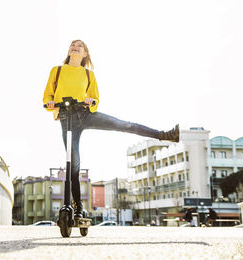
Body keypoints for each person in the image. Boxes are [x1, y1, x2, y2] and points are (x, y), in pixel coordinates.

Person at [43, 40, 179, 219]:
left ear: (85, 54)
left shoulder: (88, 74)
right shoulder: (57, 70)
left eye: (80, 45)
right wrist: (50, 104)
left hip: (85, 114)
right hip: (66, 118)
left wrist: (91, 102)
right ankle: (76, 206)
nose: (75, 46)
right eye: (72, 45)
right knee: (73, 164)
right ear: (69, 51)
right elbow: (47, 97)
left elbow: (95, 99)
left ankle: (164, 135)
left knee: (124, 125)